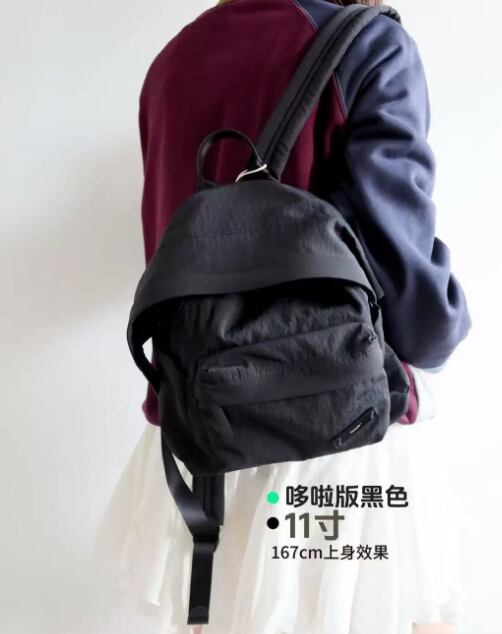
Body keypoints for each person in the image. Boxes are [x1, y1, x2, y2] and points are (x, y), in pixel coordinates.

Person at [96, 1, 471, 633]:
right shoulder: (368, 47)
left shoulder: (172, 62)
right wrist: (446, 325)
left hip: (198, 442)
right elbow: (412, 302)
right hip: (334, 439)